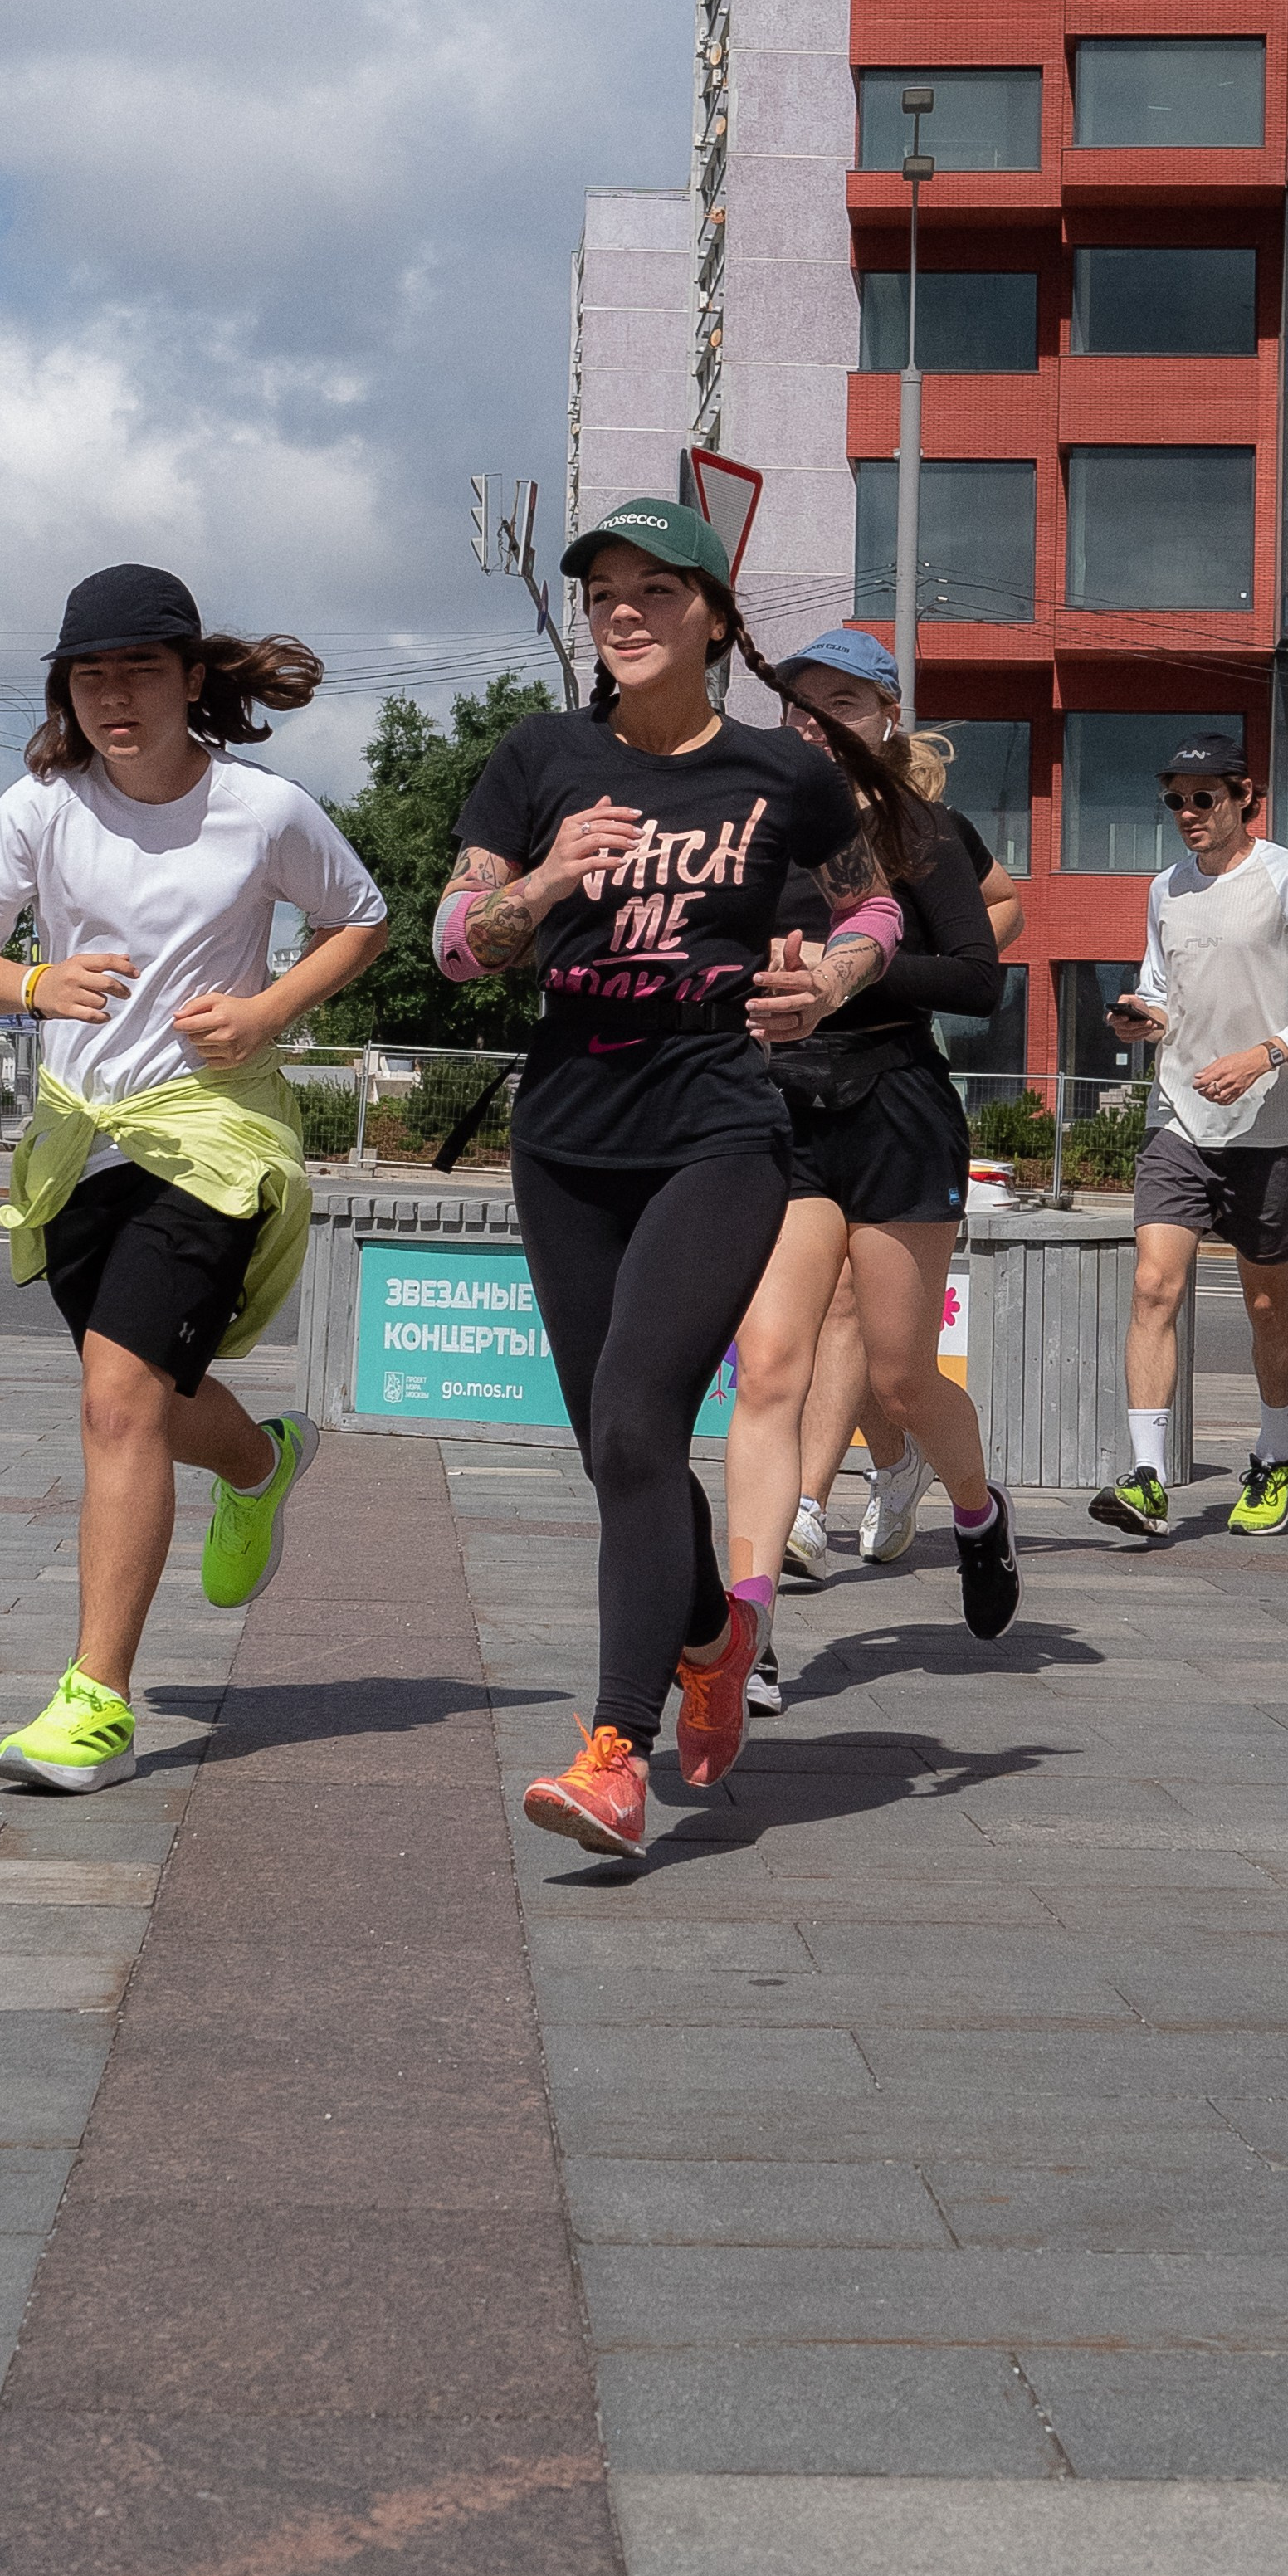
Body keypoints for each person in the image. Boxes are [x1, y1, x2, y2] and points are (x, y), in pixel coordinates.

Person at [431, 499, 929, 1860]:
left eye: (656, 587)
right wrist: (538, 885)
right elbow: (456, 943)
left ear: (713, 613)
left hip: (718, 1129)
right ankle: (712, 1634)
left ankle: (614, 1752)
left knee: (644, 1423)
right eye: (602, 591)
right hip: (568, 1135)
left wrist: (829, 974)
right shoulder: (540, 757)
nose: (624, 610)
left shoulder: (785, 775)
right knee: (613, 1444)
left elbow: (876, 903)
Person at [0, 564, 388, 1792]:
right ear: (65, 692)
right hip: (86, 1139)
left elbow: (362, 916)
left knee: (117, 1400)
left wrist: (270, 1010)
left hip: (215, 1138)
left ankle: (95, 1703)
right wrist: (30, 985)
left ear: (193, 677)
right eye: (90, 677)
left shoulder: (266, 809)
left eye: (138, 672)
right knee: (136, 1396)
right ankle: (259, 1461)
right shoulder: (41, 808)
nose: (113, 699)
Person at [720, 631, 1021, 1697]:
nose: (816, 720)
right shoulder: (750, 830)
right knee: (769, 1368)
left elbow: (981, 981)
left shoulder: (916, 830)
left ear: (886, 714)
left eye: (841, 700)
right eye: (799, 702)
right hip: (780, 1117)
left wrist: (855, 969)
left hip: (895, 1109)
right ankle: (746, 1631)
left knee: (898, 1370)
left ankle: (979, 1514)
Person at [1090, 731, 1288, 1545]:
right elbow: (1160, 985)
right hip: (1179, 1117)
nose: (1187, 813)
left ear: (1245, 796)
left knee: (1265, 1297)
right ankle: (1145, 1477)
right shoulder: (1165, 888)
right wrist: (1142, 1017)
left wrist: (1264, 1053)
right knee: (1153, 1285)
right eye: (1175, 798)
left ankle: (1275, 1453)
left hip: (1272, 1125)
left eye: (1203, 797)